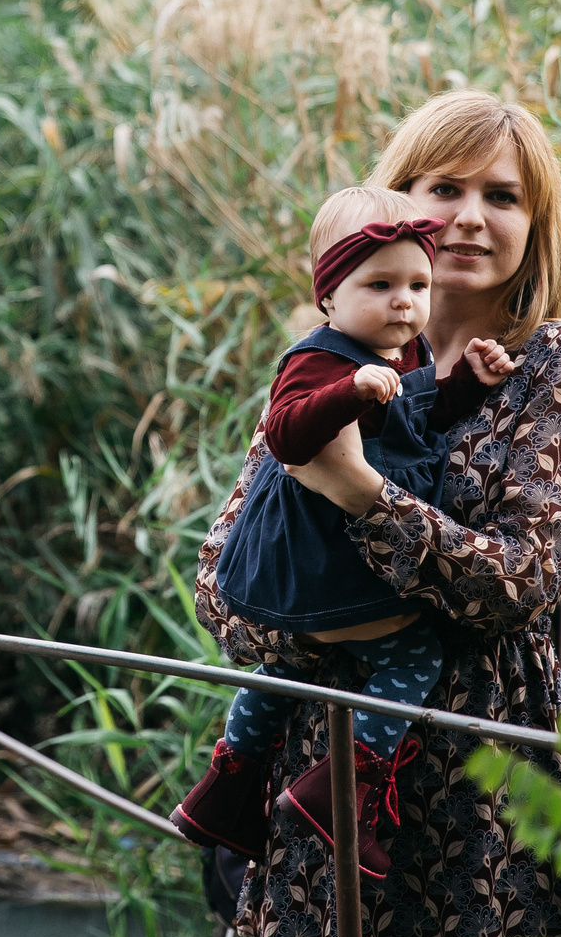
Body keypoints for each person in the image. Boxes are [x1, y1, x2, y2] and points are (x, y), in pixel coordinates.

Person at [192, 91, 561, 937]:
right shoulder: (333, 355)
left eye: (502, 196)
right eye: (443, 189)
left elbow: (518, 580)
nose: (469, 217)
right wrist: (322, 630)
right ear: (394, 206)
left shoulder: (555, 363)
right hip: (330, 785)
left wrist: (358, 492)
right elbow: (223, 580)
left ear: (535, 223)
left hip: (481, 789)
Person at [172, 185, 517, 876]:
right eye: (380, 285)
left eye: (418, 285)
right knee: (412, 655)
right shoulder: (319, 359)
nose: (404, 302)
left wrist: (467, 386)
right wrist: (348, 393)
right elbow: (286, 432)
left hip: (336, 570)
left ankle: (228, 782)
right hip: (327, 563)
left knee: (285, 666)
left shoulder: (406, 354)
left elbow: (418, 426)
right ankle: (340, 789)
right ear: (329, 296)